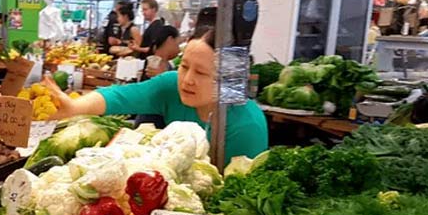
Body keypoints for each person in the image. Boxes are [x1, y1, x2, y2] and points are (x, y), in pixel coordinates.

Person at [43, 28, 268, 164]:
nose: (187, 79)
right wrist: (73, 107)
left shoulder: (246, 125)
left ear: (228, 81)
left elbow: (236, 192)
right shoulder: (172, 86)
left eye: (201, 72)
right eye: (184, 66)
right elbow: (121, 96)